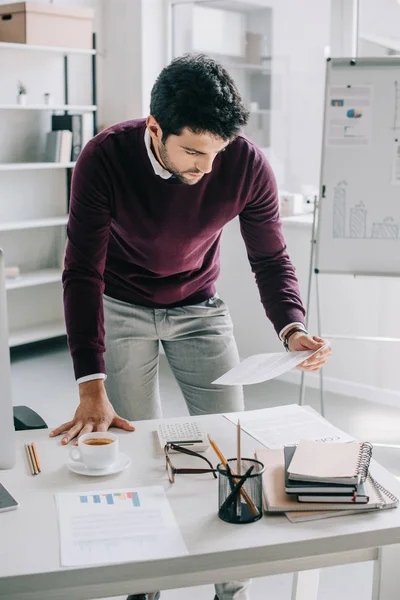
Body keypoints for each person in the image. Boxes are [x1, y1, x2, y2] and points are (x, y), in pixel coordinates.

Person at [51, 54, 332, 600]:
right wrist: (91, 381)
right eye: (194, 152)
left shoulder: (244, 164)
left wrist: (293, 329)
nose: (207, 167)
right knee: (140, 451)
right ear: (155, 127)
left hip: (200, 308)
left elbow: (270, 259)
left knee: (232, 450)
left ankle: (231, 587)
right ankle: (145, 584)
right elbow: (81, 269)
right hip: (123, 305)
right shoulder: (104, 157)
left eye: (217, 152)